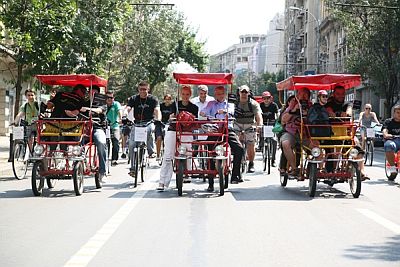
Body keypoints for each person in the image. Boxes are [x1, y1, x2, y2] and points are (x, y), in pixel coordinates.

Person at [200, 86, 245, 191]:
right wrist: (203, 113)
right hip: (214, 129)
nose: (220, 95)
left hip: (227, 129)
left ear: (225, 94)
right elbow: (204, 111)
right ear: (215, 95)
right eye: (218, 94)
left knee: (239, 149)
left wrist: (224, 112)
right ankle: (210, 181)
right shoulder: (211, 104)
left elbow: (232, 112)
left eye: (222, 93)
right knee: (209, 150)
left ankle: (235, 175)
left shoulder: (230, 105)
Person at [157, 85, 198, 191]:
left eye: (187, 94)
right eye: (183, 94)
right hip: (173, 129)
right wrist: (172, 117)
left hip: (186, 131)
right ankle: (162, 181)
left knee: (187, 151)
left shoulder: (194, 107)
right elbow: (170, 117)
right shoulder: (174, 105)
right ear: (180, 94)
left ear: (190, 95)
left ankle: (187, 172)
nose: (185, 96)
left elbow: (195, 122)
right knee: (168, 155)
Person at [127, 81, 161, 174]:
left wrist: (158, 119)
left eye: (145, 89)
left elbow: (157, 110)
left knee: (150, 130)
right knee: (131, 144)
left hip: (149, 122)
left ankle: (151, 151)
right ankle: (133, 167)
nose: (143, 91)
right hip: (136, 123)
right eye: (141, 89)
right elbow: (128, 108)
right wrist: (124, 115)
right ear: (138, 89)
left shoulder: (153, 99)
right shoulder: (134, 98)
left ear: (148, 89)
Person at [280, 87, 311, 176]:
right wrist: (293, 110)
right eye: (301, 94)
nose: (303, 97)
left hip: (306, 134)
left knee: (317, 147)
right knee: (285, 143)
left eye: (306, 94)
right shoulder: (292, 104)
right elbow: (283, 120)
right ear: (297, 95)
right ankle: (294, 168)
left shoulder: (311, 106)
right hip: (291, 133)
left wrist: (307, 113)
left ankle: (313, 168)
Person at [80, 85, 107, 182]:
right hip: (84, 129)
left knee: (100, 142)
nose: (93, 94)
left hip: (97, 128)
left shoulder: (102, 103)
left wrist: (88, 110)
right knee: (75, 141)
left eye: (95, 93)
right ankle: (80, 161)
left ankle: (102, 171)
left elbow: (99, 110)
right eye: (91, 92)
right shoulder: (84, 102)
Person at [233, 85, 263, 173]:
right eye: (242, 92)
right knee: (234, 142)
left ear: (249, 93)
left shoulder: (253, 103)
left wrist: (260, 125)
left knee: (251, 144)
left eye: (246, 92)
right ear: (239, 93)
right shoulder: (234, 103)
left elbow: (258, 116)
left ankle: (251, 163)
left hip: (250, 125)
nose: (244, 94)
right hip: (237, 124)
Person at [259, 91, 279, 167]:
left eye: (268, 98)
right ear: (262, 99)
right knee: (261, 136)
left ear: (270, 98)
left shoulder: (274, 105)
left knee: (274, 141)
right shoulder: (260, 105)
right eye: (264, 98)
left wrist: (277, 122)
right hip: (263, 124)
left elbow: (277, 115)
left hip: (272, 125)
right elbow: (257, 114)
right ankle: (261, 146)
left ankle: (273, 159)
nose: (266, 100)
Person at [155, 94, 174, 160]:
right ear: (164, 100)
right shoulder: (160, 106)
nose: (167, 101)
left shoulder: (172, 107)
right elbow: (156, 112)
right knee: (159, 138)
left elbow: (174, 114)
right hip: (160, 124)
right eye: (166, 99)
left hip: (169, 124)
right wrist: (157, 118)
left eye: (169, 99)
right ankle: (158, 155)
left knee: (167, 140)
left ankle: (167, 154)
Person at [105, 92, 122, 166]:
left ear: (113, 98)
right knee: (105, 143)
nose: (109, 99)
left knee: (116, 142)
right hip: (105, 126)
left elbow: (119, 111)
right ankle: (105, 158)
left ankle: (114, 159)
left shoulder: (116, 104)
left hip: (114, 126)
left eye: (111, 98)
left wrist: (120, 119)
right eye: (107, 97)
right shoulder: (103, 105)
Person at [382, 105, 400, 175]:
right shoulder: (388, 121)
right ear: (394, 113)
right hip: (392, 140)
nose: (399, 114)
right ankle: (392, 167)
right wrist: (386, 134)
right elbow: (385, 130)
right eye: (398, 113)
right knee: (389, 145)